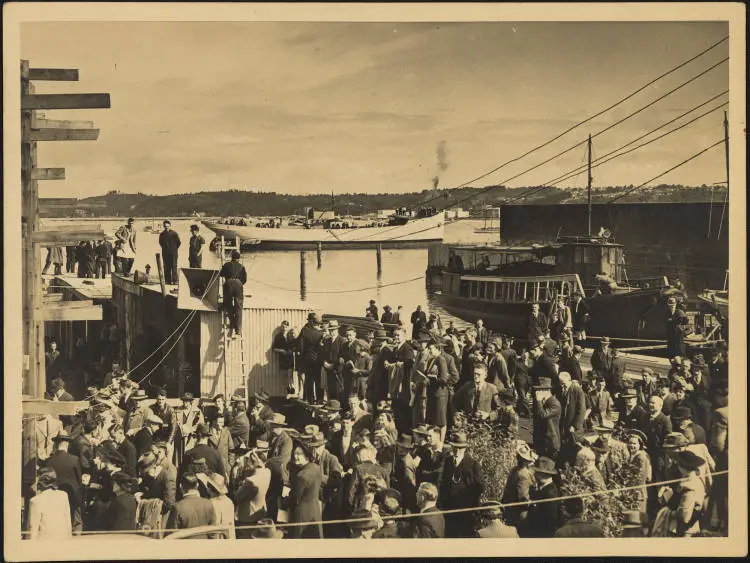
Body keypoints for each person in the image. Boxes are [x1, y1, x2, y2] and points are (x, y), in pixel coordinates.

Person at [439, 431, 485, 538]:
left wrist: (468, 498)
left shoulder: (473, 465)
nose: (456, 450)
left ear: (465, 448)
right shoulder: (448, 462)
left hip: (465, 512)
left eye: (460, 448)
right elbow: (444, 483)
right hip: (449, 511)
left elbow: (480, 487)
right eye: (454, 447)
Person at [286, 441, 323, 539]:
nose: (295, 456)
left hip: (303, 514)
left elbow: (295, 498)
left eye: (299, 453)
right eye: (294, 453)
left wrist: (284, 501)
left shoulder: (302, 475)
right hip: (315, 510)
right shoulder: (316, 468)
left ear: (307, 455)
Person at [27, 467, 73, 540]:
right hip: (63, 541)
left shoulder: (36, 500)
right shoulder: (63, 495)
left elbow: (33, 529)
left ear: (40, 482)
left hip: (45, 544)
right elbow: (68, 523)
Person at [166, 473, 216, 537]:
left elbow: (170, 535)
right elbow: (214, 533)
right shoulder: (208, 504)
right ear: (197, 485)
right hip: (205, 546)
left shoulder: (177, 507)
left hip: (186, 546)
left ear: (180, 486)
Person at [521, 456, 560, 538]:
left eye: (537, 472)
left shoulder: (550, 493)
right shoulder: (542, 487)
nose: (535, 474)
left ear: (544, 475)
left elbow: (550, 520)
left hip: (541, 534)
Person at [501, 441, 535, 529]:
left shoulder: (514, 470)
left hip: (509, 510)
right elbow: (523, 498)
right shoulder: (524, 474)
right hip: (518, 514)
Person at [219, 251, 247, 339]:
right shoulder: (242, 267)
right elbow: (244, 279)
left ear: (232, 257)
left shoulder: (227, 265)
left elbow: (221, 274)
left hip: (229, 283)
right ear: (238, 259)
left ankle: (232, 324)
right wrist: (239, 283)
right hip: (238, 285)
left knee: (228, 304)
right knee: (239, 307)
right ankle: (238, 330)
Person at [532, 377, 561, 459]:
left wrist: (538, 401)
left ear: (546, 390)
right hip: (543, 440)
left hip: (550, 442)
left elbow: (542, 415)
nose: (537, 393)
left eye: (539, 390)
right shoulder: (544, 402)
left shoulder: (554, 404)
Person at [298, 313, 325, 403]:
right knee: (318, 380)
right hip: (318, 359)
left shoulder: (305, 331)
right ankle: (320, 399)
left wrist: (301, 360)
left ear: (311, 321)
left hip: (307, 358)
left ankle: (310, 399)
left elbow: (300, 346)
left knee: (309, 380)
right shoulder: (322, 333)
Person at [627, 429, 652, 513]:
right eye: (630, 443)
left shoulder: (641, 456)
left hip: (638, 491)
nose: (631, 446)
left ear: (639, 444)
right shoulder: (632, 455)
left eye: (634, 443)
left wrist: (635, 490)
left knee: (638, 514)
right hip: (631, 489)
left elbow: (641, 475)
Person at [158, 220, 181, 285]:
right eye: (165, 226)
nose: (166, 228)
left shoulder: (174, 233)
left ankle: (175, 281)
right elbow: (160, 242)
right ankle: (167, 280)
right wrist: (165, 249)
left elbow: (178, 242)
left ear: (170, 226)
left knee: (174, 266)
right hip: (165, 253)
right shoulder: (162, 234)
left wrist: (174, 249)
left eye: (168, 226)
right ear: (163, 226)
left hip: (173, 253)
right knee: (166, 266)